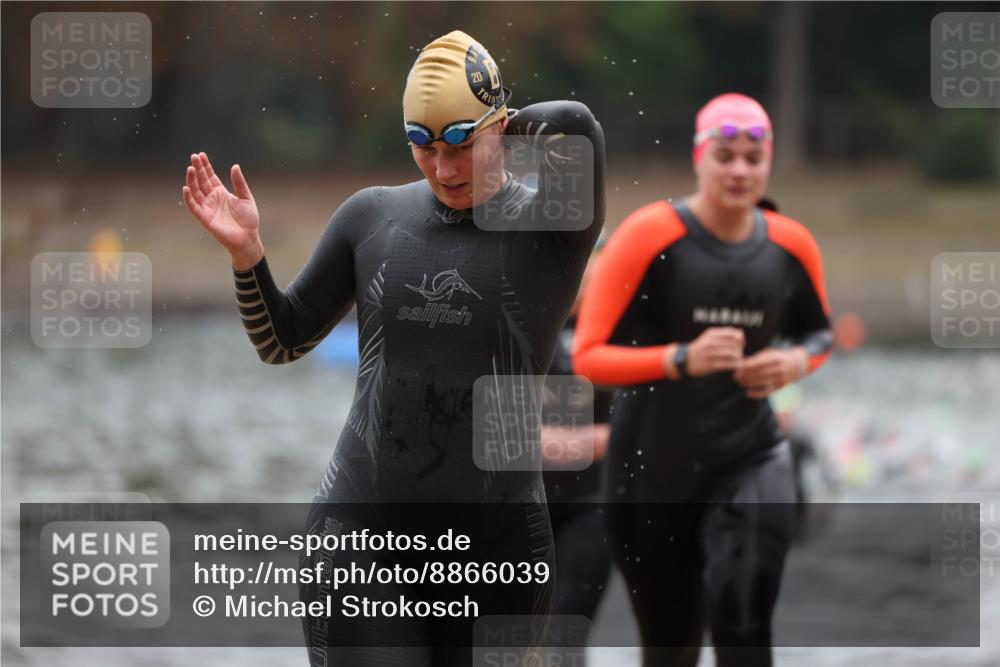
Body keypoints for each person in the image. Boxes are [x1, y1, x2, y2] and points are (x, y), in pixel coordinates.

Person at [182, 30, 605, 666]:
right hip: (360, 533)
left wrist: (500, 122)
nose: (443, 167)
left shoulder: (554, 228)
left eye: (461, 141)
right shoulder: (370, 217)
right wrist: (249, 259)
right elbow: (283, 340)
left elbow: (578, 125)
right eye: (422, 145)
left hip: (499, 546)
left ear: (503, 125)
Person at [572, 93, 832, 666]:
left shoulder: (790, 243)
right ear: (699, 157)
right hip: (649, 472)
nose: (739, 170)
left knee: (744, 628)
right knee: (671, 649)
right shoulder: (648, 236)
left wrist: (795, 363)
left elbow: (820, 336)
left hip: (750, 455)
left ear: (768, 162)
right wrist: (679, 359)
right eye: (725, 155)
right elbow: (589, 356)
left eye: (752, 157)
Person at [540, 237, 614, 658]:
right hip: (512, 504)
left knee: (566, 639)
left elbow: (640, 431)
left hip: (591, 505)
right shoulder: (514, 321)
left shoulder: (621, 333)